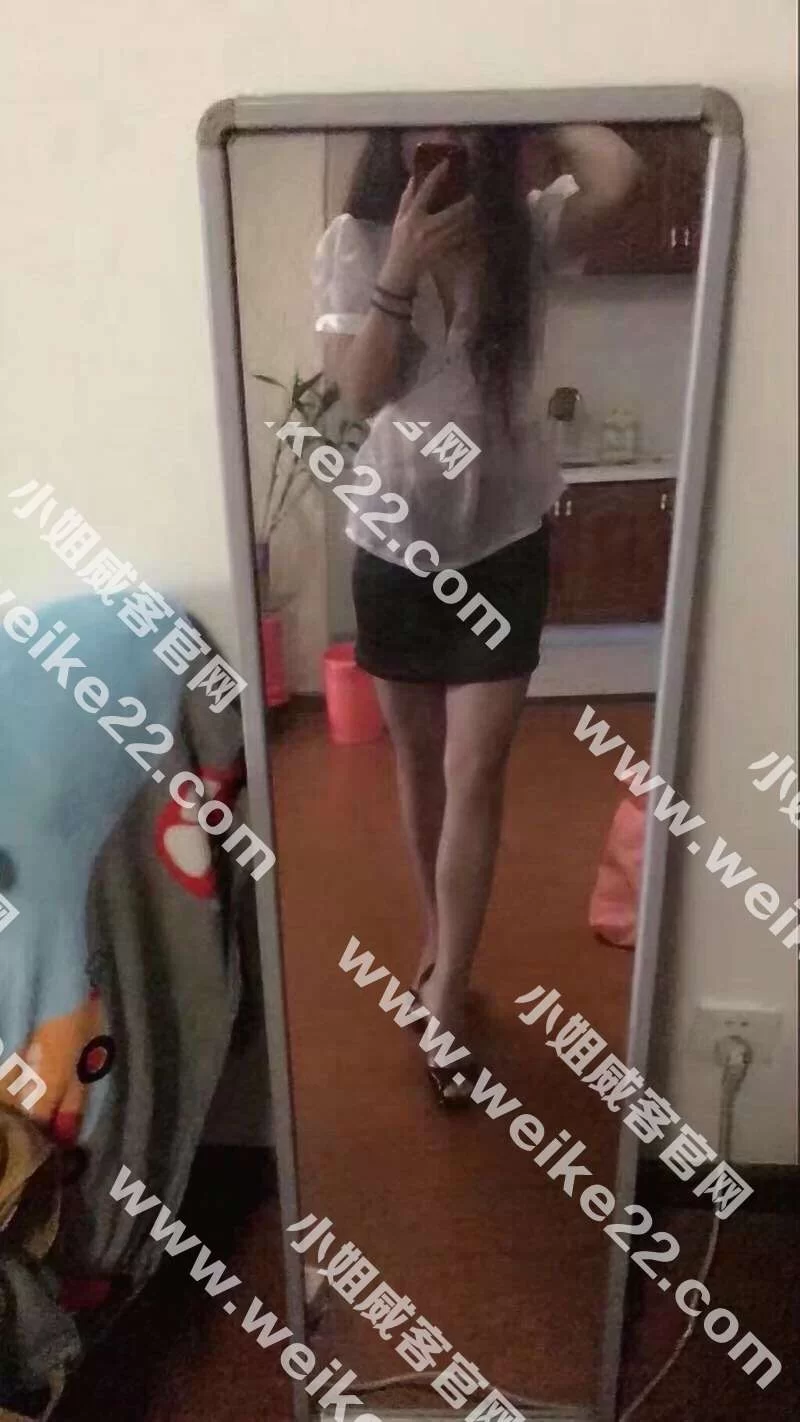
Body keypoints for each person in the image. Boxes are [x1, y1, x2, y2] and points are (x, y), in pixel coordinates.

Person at [312, 125, 641, 1103]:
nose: (442, 141)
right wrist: (400, 268)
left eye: (463, 124)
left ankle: (448, 986)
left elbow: (619, 175)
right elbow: (358, 391)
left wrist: (530, 108)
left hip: (502, 538)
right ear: (393, 138)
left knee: (475, 769)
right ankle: (437, 939)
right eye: (423, 126)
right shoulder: (354, 239)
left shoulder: (524, 232)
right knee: (420, 766)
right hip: (396, 543)